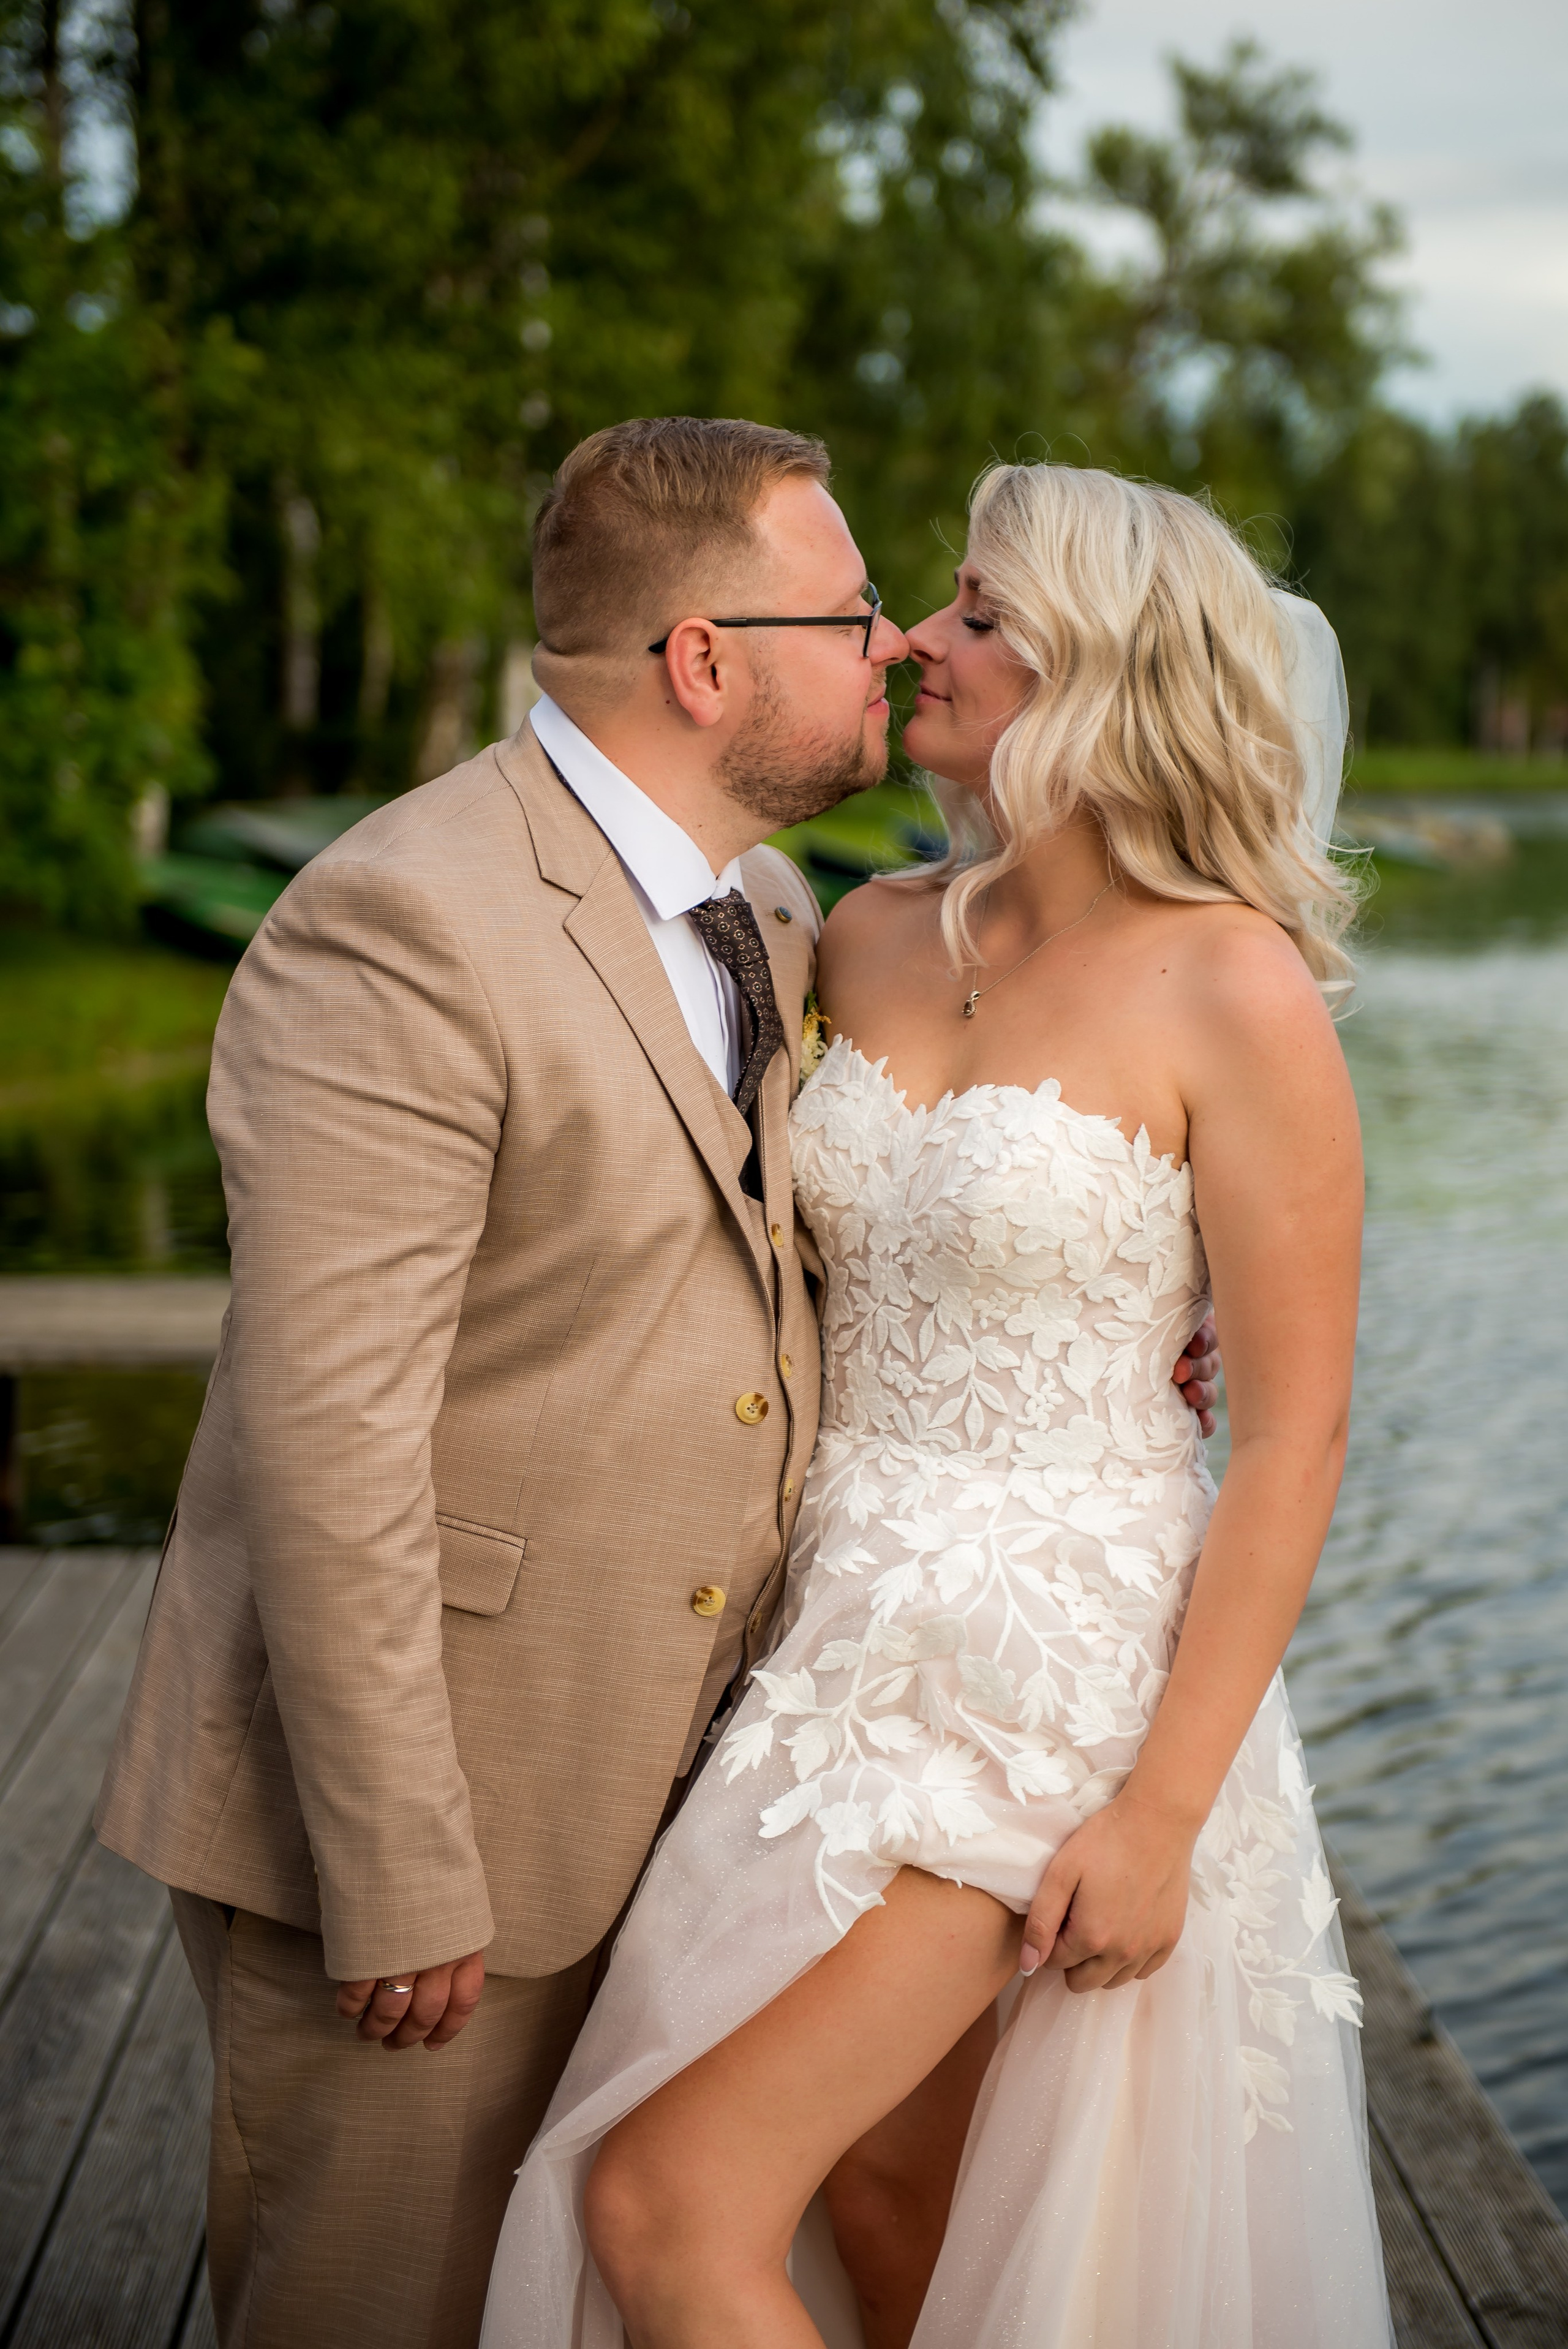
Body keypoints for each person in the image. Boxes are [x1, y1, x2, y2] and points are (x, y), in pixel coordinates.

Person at [93, 417, 1217, 2349]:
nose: (891, 642)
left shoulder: (779, 922)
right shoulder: (405, 924)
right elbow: (324, 1433)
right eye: (850, 606)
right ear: (703, 662)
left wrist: (1141, 1295)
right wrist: (397, 1865)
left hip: (715, 1787)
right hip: (434, 1821)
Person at [480, 461, 1391, 2348]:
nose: (917, 641)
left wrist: (1161, 1808)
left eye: (979, 615)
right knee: (903, 2209)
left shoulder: (1240, 989)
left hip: (1049, 1687)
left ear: (1103, 672)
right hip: (819, 1655)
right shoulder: (857, 933)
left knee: (665, 2202)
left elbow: (1293, 1436)